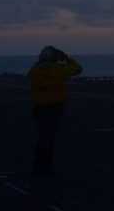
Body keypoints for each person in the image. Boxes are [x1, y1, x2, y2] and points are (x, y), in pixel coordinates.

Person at [27, 46, 83, 175]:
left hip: (39, 107)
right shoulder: (61, 69)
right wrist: (66, 58)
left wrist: (39, 62)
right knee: (49, 136)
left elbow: (29, 75)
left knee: (43, 135)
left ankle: (40, 163)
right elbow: (79, 69)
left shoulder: (36, 71)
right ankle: (45, 164)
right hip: (55, 107)